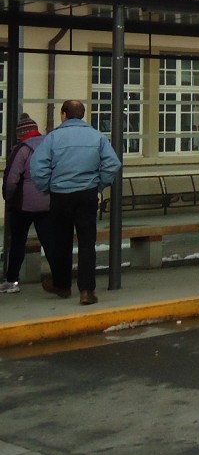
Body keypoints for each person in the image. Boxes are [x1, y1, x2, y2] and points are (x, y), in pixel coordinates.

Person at [30, 99, 122, 305]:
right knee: (87, 243)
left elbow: (37, 167)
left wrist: (48, 187)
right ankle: (86, 290)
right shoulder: (96, 136)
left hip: (60, 195)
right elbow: (112, 164)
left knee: (61, 242)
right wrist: (98, 185)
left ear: (63, 114)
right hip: (87, 194)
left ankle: (62, 285)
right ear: (82, 114)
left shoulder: (53, 138)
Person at [1, 113, 55, 294]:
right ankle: (59, 277)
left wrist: (8, 198)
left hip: (23, 205)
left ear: (20, 134)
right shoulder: (49, 145)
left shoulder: (22, 149)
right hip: (47, 202)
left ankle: (12, 280)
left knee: (17, 241)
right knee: (49, 241)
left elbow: (11, 180)